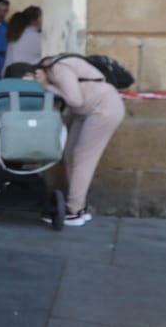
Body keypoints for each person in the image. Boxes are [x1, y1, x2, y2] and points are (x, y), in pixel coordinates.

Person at [32, 56, 124, 227]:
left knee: (83, 158)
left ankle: (74, 210)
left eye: (35, 75)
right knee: (70, 155)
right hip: (86, 112)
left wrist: (47, 86)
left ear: (41, 69)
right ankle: (79, 206)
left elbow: (75, 100)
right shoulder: (58, 65)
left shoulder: (57, 68)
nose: (36, 79)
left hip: (102, 109)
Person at [2, 5, 43, 72]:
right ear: (38, 19)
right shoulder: (38, 37)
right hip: (24, 77)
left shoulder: (17, 33)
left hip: (7, 76)